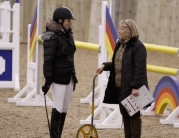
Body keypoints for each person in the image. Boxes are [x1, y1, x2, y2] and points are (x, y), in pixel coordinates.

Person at [96, 19, 148, 138]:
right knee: (124, 114)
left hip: (131, 89)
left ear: (129, 31)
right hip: (120, 86)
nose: (119, 31)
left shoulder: (138, 47)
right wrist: (105, 65)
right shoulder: (120, 44)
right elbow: (117, 63)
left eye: (122, 29)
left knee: (134, 116)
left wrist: (135, 87)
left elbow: (140, 70)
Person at [41, 6, 78, 138]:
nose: (70, 23)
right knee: (58, 106)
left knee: (65, 107)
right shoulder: (52, 37)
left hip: (69, 77)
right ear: (60, 20)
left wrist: (74, 77)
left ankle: (59, 135)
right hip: (58, 78)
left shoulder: (69, 35)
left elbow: (70, 58)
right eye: (68, 20)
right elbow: (48, 61)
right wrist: (47, 81)